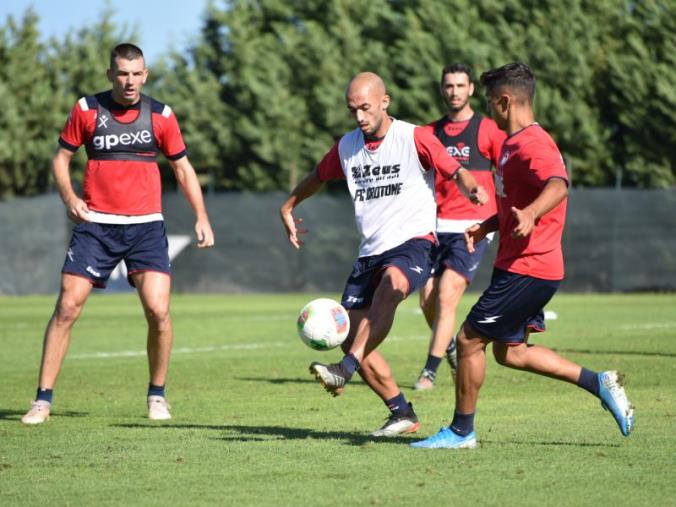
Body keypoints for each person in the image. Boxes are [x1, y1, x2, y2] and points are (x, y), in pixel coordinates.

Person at [411, 62, 634, 449]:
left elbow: (558, 184)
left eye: (489, 102)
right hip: (515, 265)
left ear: (504, 101)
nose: (488, 110)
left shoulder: (533, 143)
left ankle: (462, 431)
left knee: (467, 341)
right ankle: (598, 382)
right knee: (510, 353)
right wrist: (487, 226)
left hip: (530, 267)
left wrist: (532, 214)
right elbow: (516, 202)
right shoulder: (511, 145)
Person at [280, 72, 488, 436]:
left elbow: (455, 170)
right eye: (352, 110)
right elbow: (317, 175)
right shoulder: (347, 146)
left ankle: (344, 368)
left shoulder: (414, 136)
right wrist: (289, 205)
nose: (359, 117)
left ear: (384, 102)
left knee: (392, 286)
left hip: (414, 242)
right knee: (353, 332)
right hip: (369, 252)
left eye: (365, 108)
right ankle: (400, 411)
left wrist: (471, 188)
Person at [21, 43, 215, 425]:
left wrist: (201, 216)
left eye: (136, 73)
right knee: (67, 307)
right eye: (122, 73)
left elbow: (183, 169)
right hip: (96, 226)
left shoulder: (161, 116)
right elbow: (61, 159)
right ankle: (42, 400)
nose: (130, 81)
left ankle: (157, 396)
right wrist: (69, 197)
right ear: (111, 74)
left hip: (145, 227)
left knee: (158, 311)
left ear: (145, 75)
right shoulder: (87, 110)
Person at [414, 63, 507, 391]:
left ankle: (429, 370)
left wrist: (497, 203)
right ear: (443, 89)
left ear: (470, 90)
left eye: (460, 85)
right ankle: (449, 346)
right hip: (435, 225)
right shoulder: (427, 134)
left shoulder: (488, 131)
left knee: (447, 292)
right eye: (448, 86)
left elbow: (508, 168)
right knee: (426, 299)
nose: (453, 91)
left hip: (472, 226)